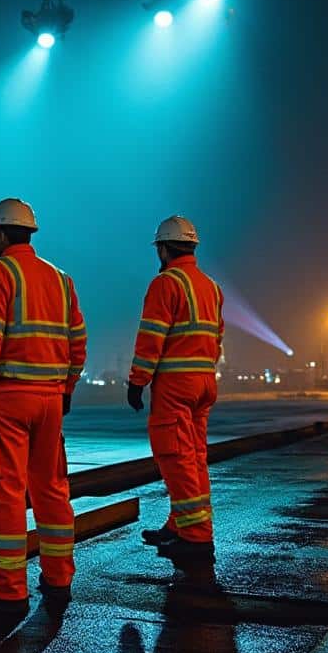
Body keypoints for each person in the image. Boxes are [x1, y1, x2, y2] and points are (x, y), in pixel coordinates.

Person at [0, 197, 87, 623]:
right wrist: (65, 387)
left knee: (5, 492)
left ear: (1, 235)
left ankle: (7, 591)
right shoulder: (61, 280)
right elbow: (77, 342)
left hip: (7, 400)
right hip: (50, 401)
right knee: (51, 489)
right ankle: (58, 578)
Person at [126, 215, 224, 561]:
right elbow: (218, 336)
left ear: (164, 249)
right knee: (194, 457)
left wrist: (138, 381)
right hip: (204, 383)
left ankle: (196, 537)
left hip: (176, 386)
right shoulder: (210, 287)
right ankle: (180, 525)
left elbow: (151, 338)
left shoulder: (166, 284)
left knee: (175, 458)